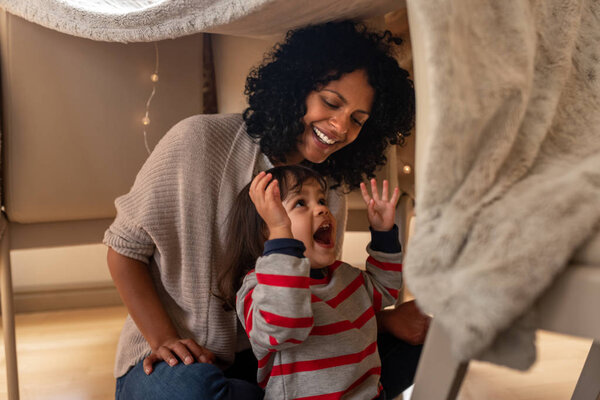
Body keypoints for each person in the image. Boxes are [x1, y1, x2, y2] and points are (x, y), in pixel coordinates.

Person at [104, 20, 427, 400]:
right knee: (195, 391)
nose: (340, 127)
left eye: (358, 120)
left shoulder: (328, 185)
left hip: (283, 361)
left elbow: (312, 296)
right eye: (331, 102)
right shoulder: (199, 141)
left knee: (426, 343)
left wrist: (385, 322)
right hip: (182, 362)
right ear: (295, 88)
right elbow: (123, 250)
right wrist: (163, 339)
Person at [231, 165, 404, 399]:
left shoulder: (346, 276)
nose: (322, 208)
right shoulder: (257, 287)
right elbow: (284, 324)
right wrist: (280, 231)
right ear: (266, 231)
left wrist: (383, 234)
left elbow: (386, 289)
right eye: (301, 203)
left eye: (321, 200)